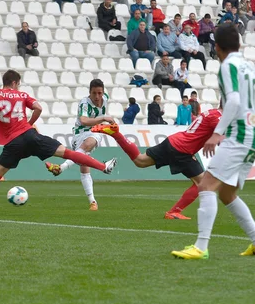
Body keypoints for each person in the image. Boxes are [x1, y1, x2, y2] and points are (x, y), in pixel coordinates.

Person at [0, 71, 117, 214]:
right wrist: (29, 124)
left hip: (13, 143)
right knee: (69, 153)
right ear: (15, 82)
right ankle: (103, 167)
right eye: (18, 83)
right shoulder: (23, 95)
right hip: (31, 136)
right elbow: (38, 108)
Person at [171, 23, 255, 260]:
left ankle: (201, 246)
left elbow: (235, 102)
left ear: (216, 47)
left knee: (206, 186)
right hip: (252, 137)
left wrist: (218, 133)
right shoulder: (249, 66)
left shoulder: (228, 66)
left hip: (238, 135)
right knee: (227, 194)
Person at [91, 107, 222, 220]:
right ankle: (174, 212)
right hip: (183, 149)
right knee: (203, 183)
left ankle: (116, 134)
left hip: (174, 141)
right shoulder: (219, 117)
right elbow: (224, 139)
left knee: (140, 161)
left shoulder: (211, 112)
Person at [45, 79, 116, 211]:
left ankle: (61, 168)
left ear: (103, 92)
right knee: (84, 166)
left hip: (94, 133)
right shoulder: (84, 103)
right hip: (79, 134)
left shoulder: (105, 98)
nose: (97, 96)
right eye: (94, 93)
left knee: (89, 143)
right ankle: (93, 201)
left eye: (99, 93)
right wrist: (103, 118)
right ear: (89, 92)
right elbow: (83, 120)